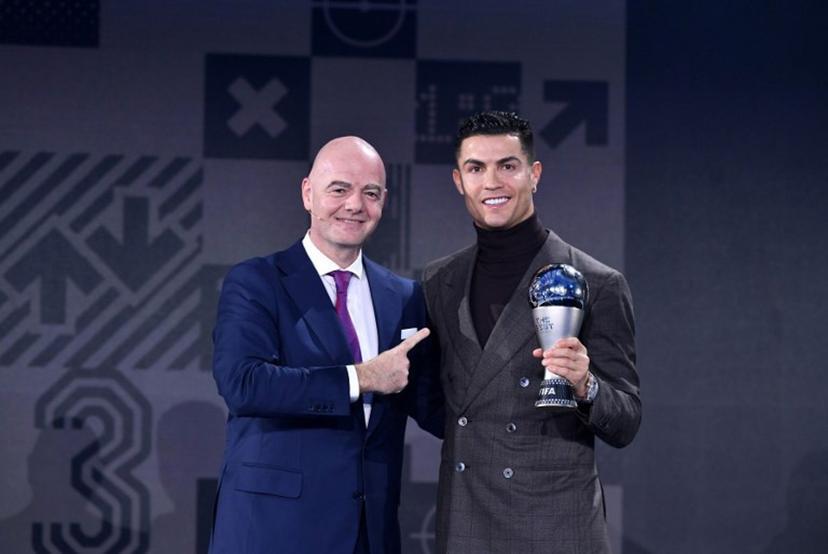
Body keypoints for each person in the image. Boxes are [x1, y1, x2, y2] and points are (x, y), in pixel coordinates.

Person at [209, 136, 443, 554]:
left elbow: (436, 407)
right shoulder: (257, 282)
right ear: (307, 194)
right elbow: (244, 384)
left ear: (384, 201)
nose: (355, 204)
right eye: (340, 189)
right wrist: (361, 378)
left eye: (370, 193)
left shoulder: (406, 298)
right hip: (272, 532)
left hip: (368, 535)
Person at [422, 111, 641, 553]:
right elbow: (436, 402)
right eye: (476, 168)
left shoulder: (597, 283)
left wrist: (586, 385)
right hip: (465, 521)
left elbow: (626, 421)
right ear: (458, 181)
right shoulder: (437, 282)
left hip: (554, 525)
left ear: (534, 174)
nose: (492, 182)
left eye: (508, 165)